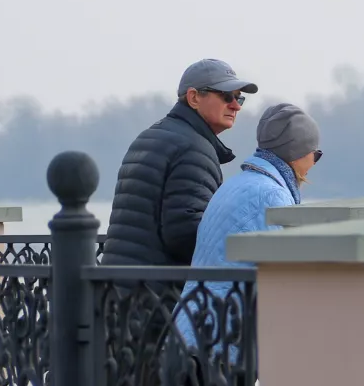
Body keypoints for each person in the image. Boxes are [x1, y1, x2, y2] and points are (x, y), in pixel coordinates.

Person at [175, 102, 323, 350]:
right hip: (220, 339)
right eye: (315, 154)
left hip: (193, 324)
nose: (314, 164)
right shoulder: (271, 196)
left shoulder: (238, 184)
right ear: (297, 153)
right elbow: (283, 277)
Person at [99, 58, 258, 267]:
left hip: (119, 278)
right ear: (194, 98)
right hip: (155, 283)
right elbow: (185, 234)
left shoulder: (151, 136)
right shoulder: (193, 148)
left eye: (239, 98)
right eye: (226, 96)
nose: (236, 106)